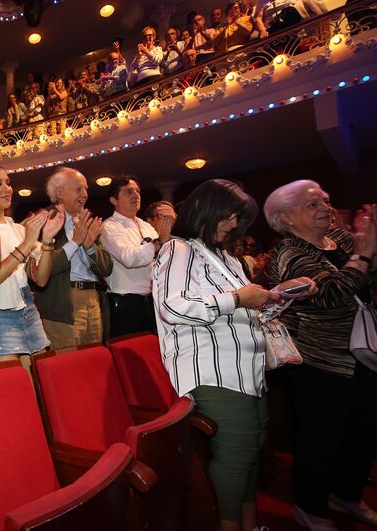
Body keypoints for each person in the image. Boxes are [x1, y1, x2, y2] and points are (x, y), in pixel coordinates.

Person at [153, 179, 315, 531]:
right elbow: (172, 307)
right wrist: (239, 298)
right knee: (236, 456)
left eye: (238, 217)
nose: (232, 223)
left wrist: (278, 296)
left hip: (249, 368)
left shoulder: (227, 257)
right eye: (228, 214)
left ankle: (251, 524)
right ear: (203, 209)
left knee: (252, 451)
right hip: (215, 372)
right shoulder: (179, 249)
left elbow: (249, 315)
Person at [264, 180, 377, 530]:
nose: (325, 209)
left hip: (362, 351)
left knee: (363, 432)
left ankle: (345, 493)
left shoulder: (341, 241)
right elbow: (329, 295)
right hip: (318, 360)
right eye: (312, 205)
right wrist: (364, 255)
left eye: (325, 201)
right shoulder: (289, 252)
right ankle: (310, 507)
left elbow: (367, 282)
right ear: (286, 218)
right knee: (320, 439)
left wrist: (365, 249)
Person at [0, 166, 64, 364]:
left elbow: (41, 280)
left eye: (8, 183)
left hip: (28, 311)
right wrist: (26, 245)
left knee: (39, 385)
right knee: (14, 389)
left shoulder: (18, 228)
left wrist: (48, 239)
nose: (7, 189)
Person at [34, 167, 112, 348]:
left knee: (93, 362)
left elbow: (107, 268)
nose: (85, 194)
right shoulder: (45, 220)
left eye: (86, 189)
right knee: (66, 366)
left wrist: (90, 246)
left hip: (93, 298)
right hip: (64, 303)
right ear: (60, 192)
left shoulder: (86, 219)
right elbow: (43, 271)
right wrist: (75, 242)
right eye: (79, 189)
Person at [100, 176, 175, 338]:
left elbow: (166, 255)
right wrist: (160, 241)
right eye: (128, 192)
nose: (136, 195)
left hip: (151, 300)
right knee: (128, 356)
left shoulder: (145, 225)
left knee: (151, 352)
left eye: (138, 191)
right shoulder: (110, 226)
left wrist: (171, 228)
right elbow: (130, 258)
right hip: (125, 303)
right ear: (114, 200)